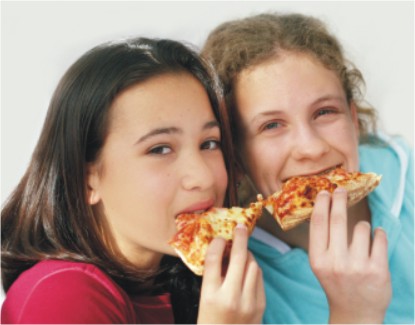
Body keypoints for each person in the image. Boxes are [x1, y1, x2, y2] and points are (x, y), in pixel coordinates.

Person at [1, 37, 265, 324]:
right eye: (160, 149)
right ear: (87, 179)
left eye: (209, 143)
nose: (202, 177)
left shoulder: (182, 286)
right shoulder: (62, 295)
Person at [202, 12, 413, 324]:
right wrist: (355, 314)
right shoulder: (233, 281)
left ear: (353, 120)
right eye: (272, 125)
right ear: (236, 158)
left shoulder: (406, 176)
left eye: (325, 112)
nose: (311, 148)